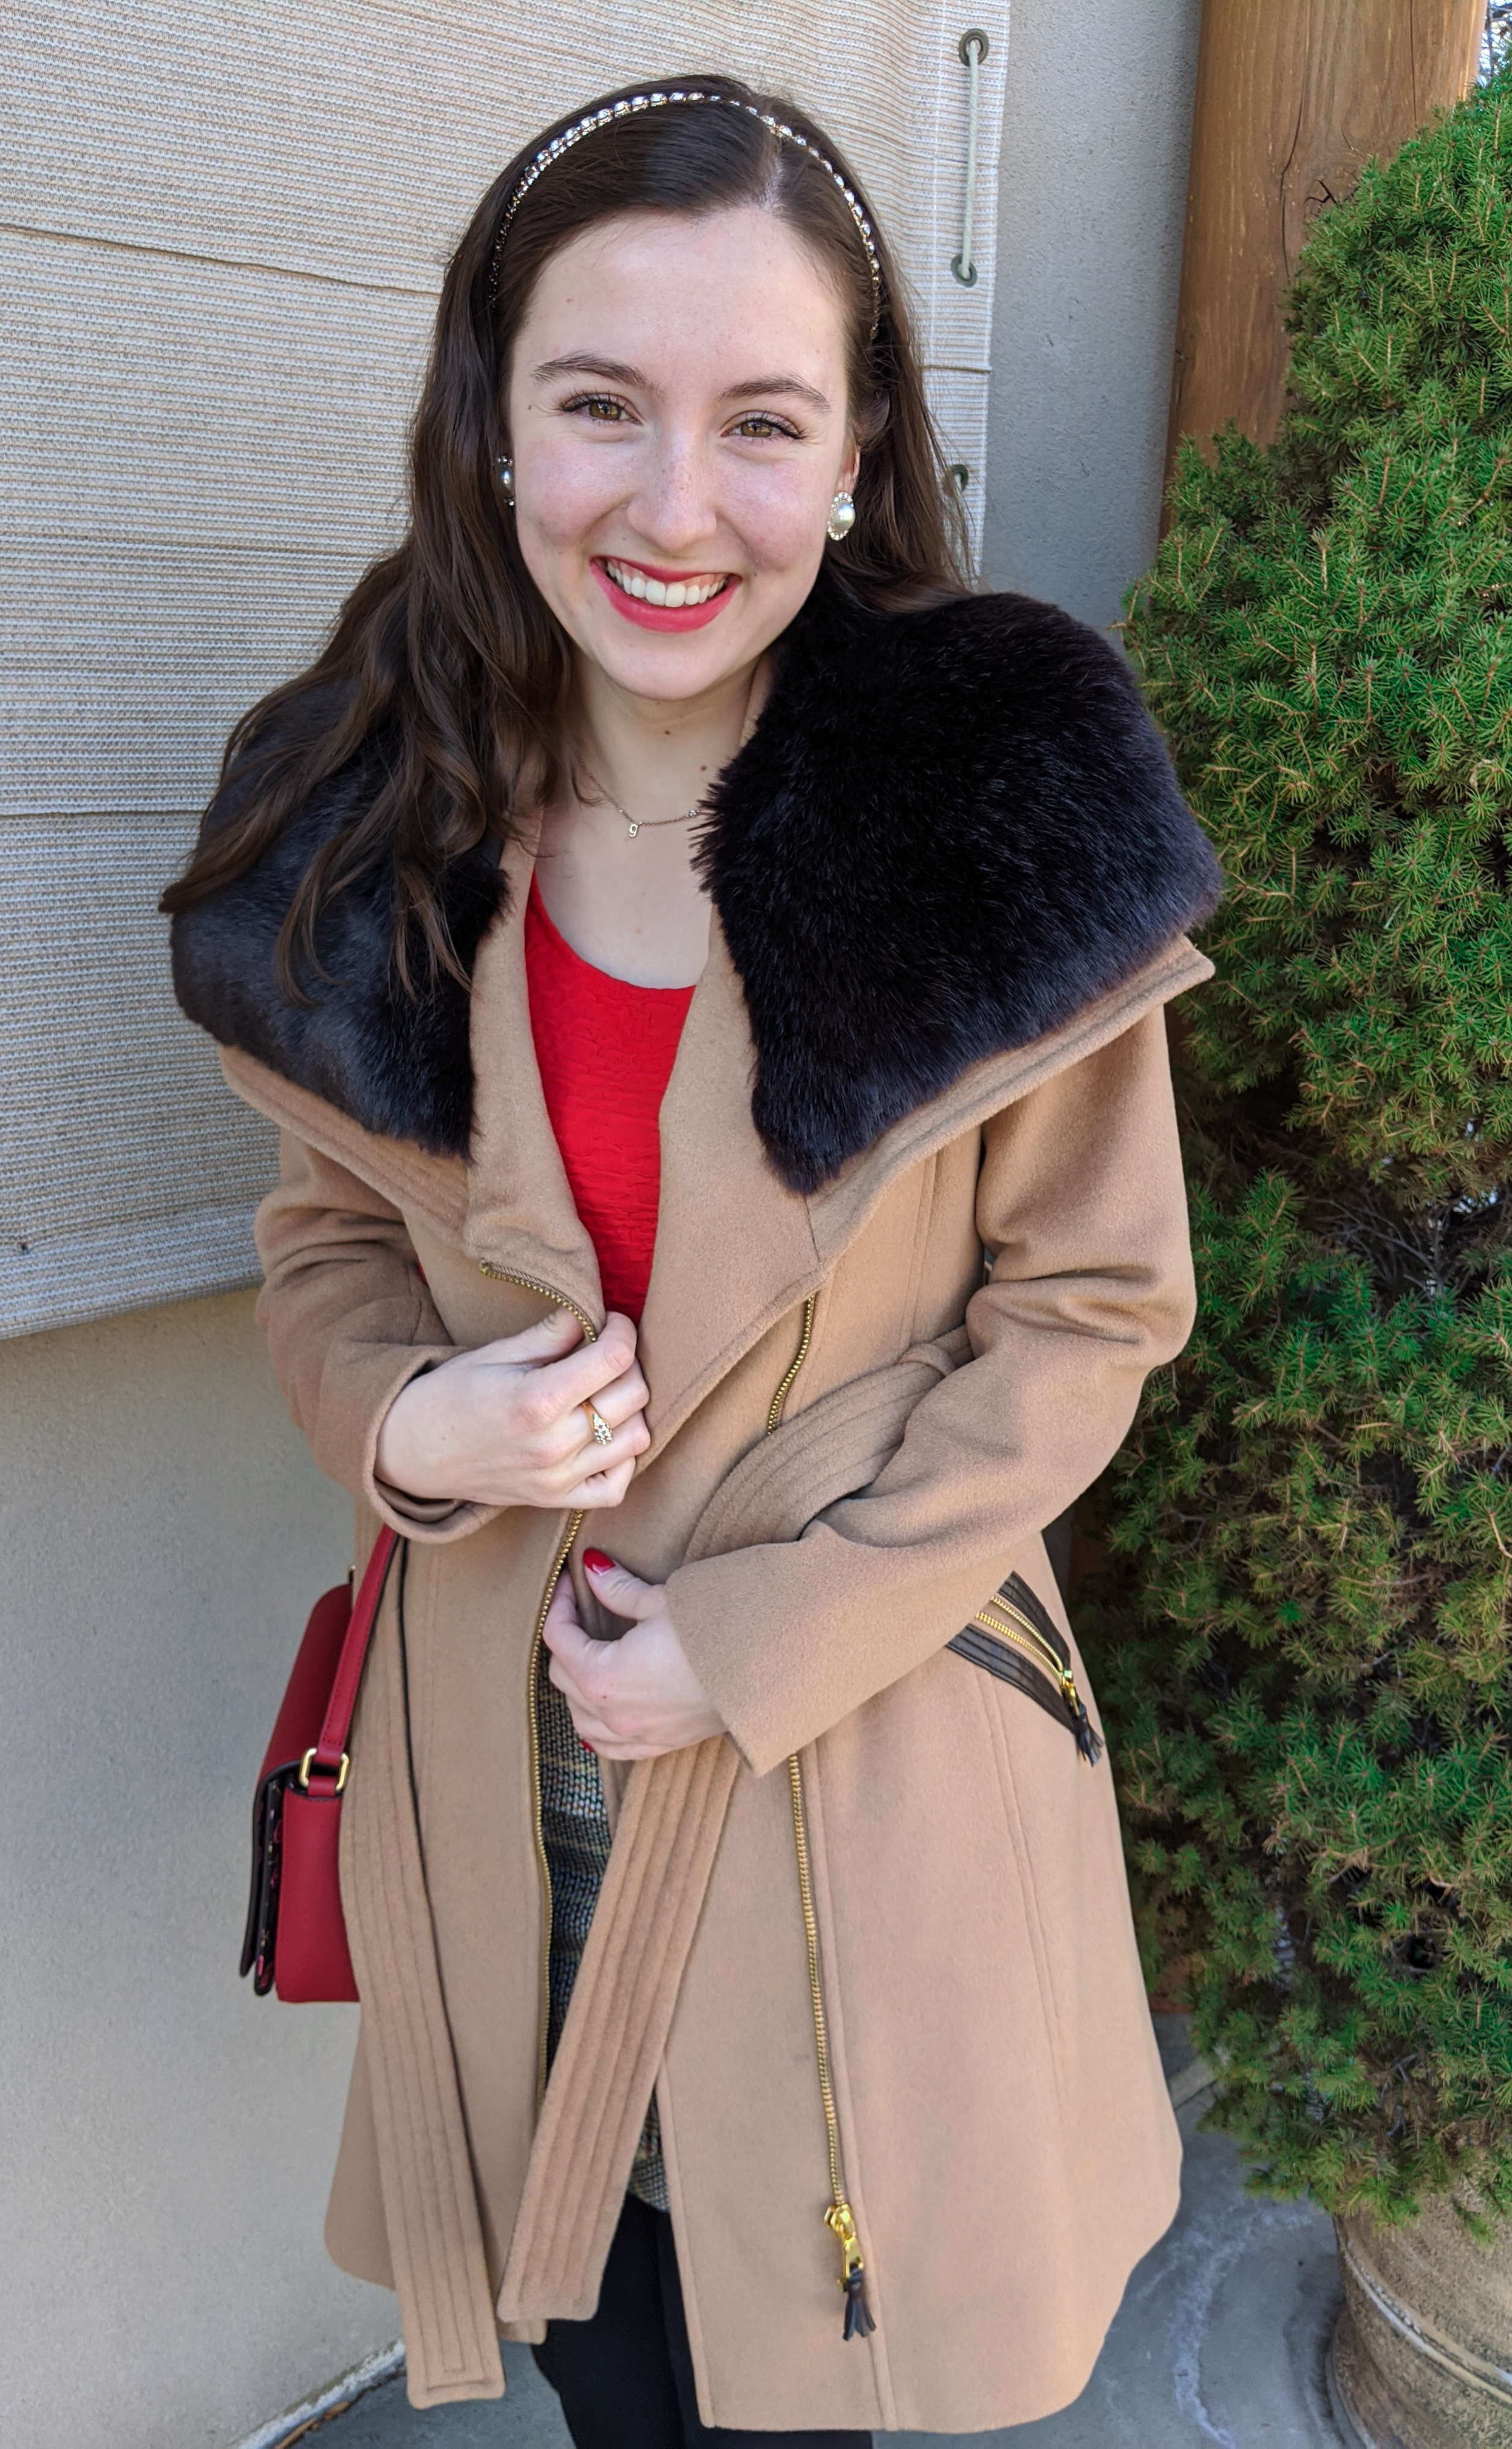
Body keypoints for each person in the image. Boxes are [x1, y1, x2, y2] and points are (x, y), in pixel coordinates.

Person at [165, 76, 1221, 2447]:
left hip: (856, 1737)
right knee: (600, 2356)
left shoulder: (1002, 800)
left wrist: (743, 1644)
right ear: (489, 418)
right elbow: (327, 1236)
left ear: (859, 445)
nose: (672, 505)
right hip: (492, 1768)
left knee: (807, 2377)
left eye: (762, 419)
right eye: (598, 408)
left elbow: (1093, 1308)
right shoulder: (354, 812)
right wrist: (409, 1420)